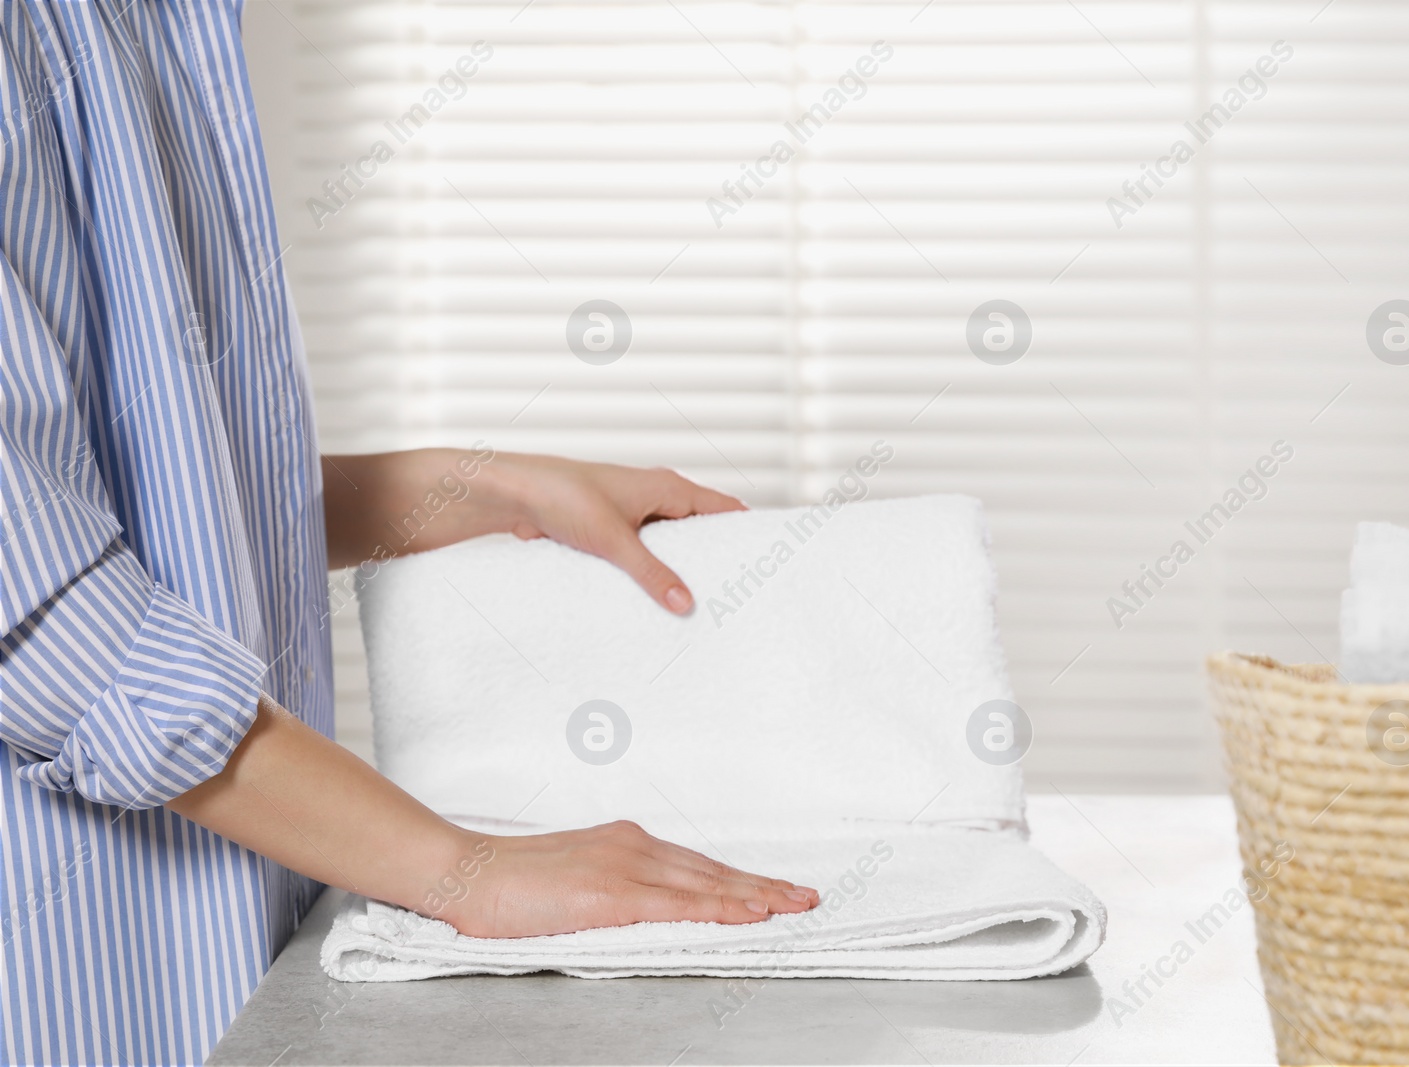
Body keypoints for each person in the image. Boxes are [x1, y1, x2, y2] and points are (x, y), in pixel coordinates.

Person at [0, 4, 815, 1063]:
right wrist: (462, 867)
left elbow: (157, 499)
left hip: (238, 948)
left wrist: (477, 489)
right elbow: (52, 629)